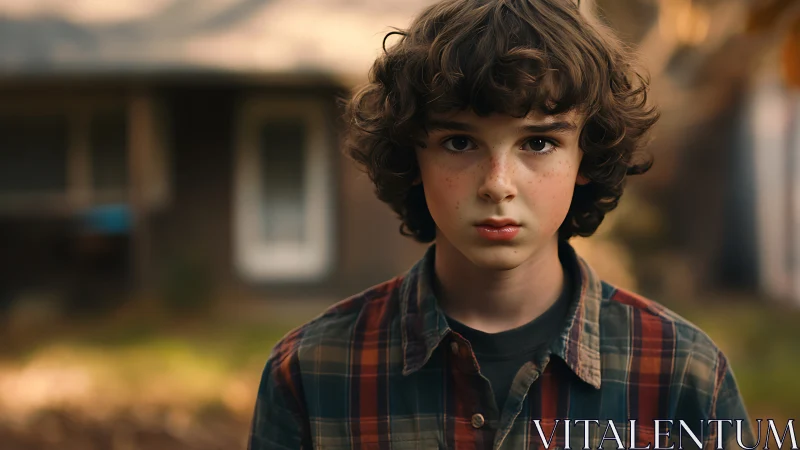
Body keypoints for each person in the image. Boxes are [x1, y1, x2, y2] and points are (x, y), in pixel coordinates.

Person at [248, 0, 756, 448]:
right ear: (413, 157)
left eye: (538, 143)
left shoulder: (682, 375)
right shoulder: (312, 373)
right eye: (460, 142)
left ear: (585, 157)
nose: (497, 184)